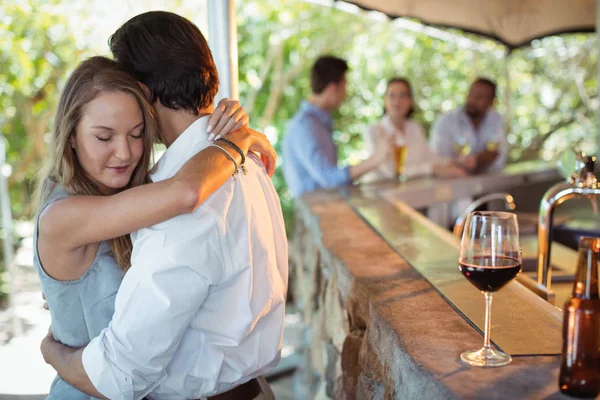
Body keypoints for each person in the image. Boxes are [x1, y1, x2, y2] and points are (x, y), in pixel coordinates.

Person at [40, 11, 287, 400]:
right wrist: (240, 139)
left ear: (141, 91)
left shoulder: (187, 193)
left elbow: (122, 375)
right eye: (104, 135)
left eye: (135, 133)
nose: (124, 148)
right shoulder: (243, 162)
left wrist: (52, 353)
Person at [282, 55, 392, 197]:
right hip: (316, 214)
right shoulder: (305, 126)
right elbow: (329, 179)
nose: (345, 93)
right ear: (333, 88)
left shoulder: (320, 121)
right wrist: (376, 159)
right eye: (344, 86)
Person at [363, 77, 467, 182]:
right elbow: (389, 171)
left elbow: (429, 157)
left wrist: (454, 163)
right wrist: (433, 169)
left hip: (412, 190)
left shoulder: (415, 128)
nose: (397, 101)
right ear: (385, 100)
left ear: (410, 101)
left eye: (402, 95)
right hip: (380, 193)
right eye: (392, 95)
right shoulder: (374, 131)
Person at [429, 78, 507, 173]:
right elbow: (438, 159)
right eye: (471, 94)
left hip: (487, 180)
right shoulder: (446, 121)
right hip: (453, 181)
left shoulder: (496, 119)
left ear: (491, 102)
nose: (473, 100)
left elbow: (498, 157)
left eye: (480, 97)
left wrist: (477, 160)